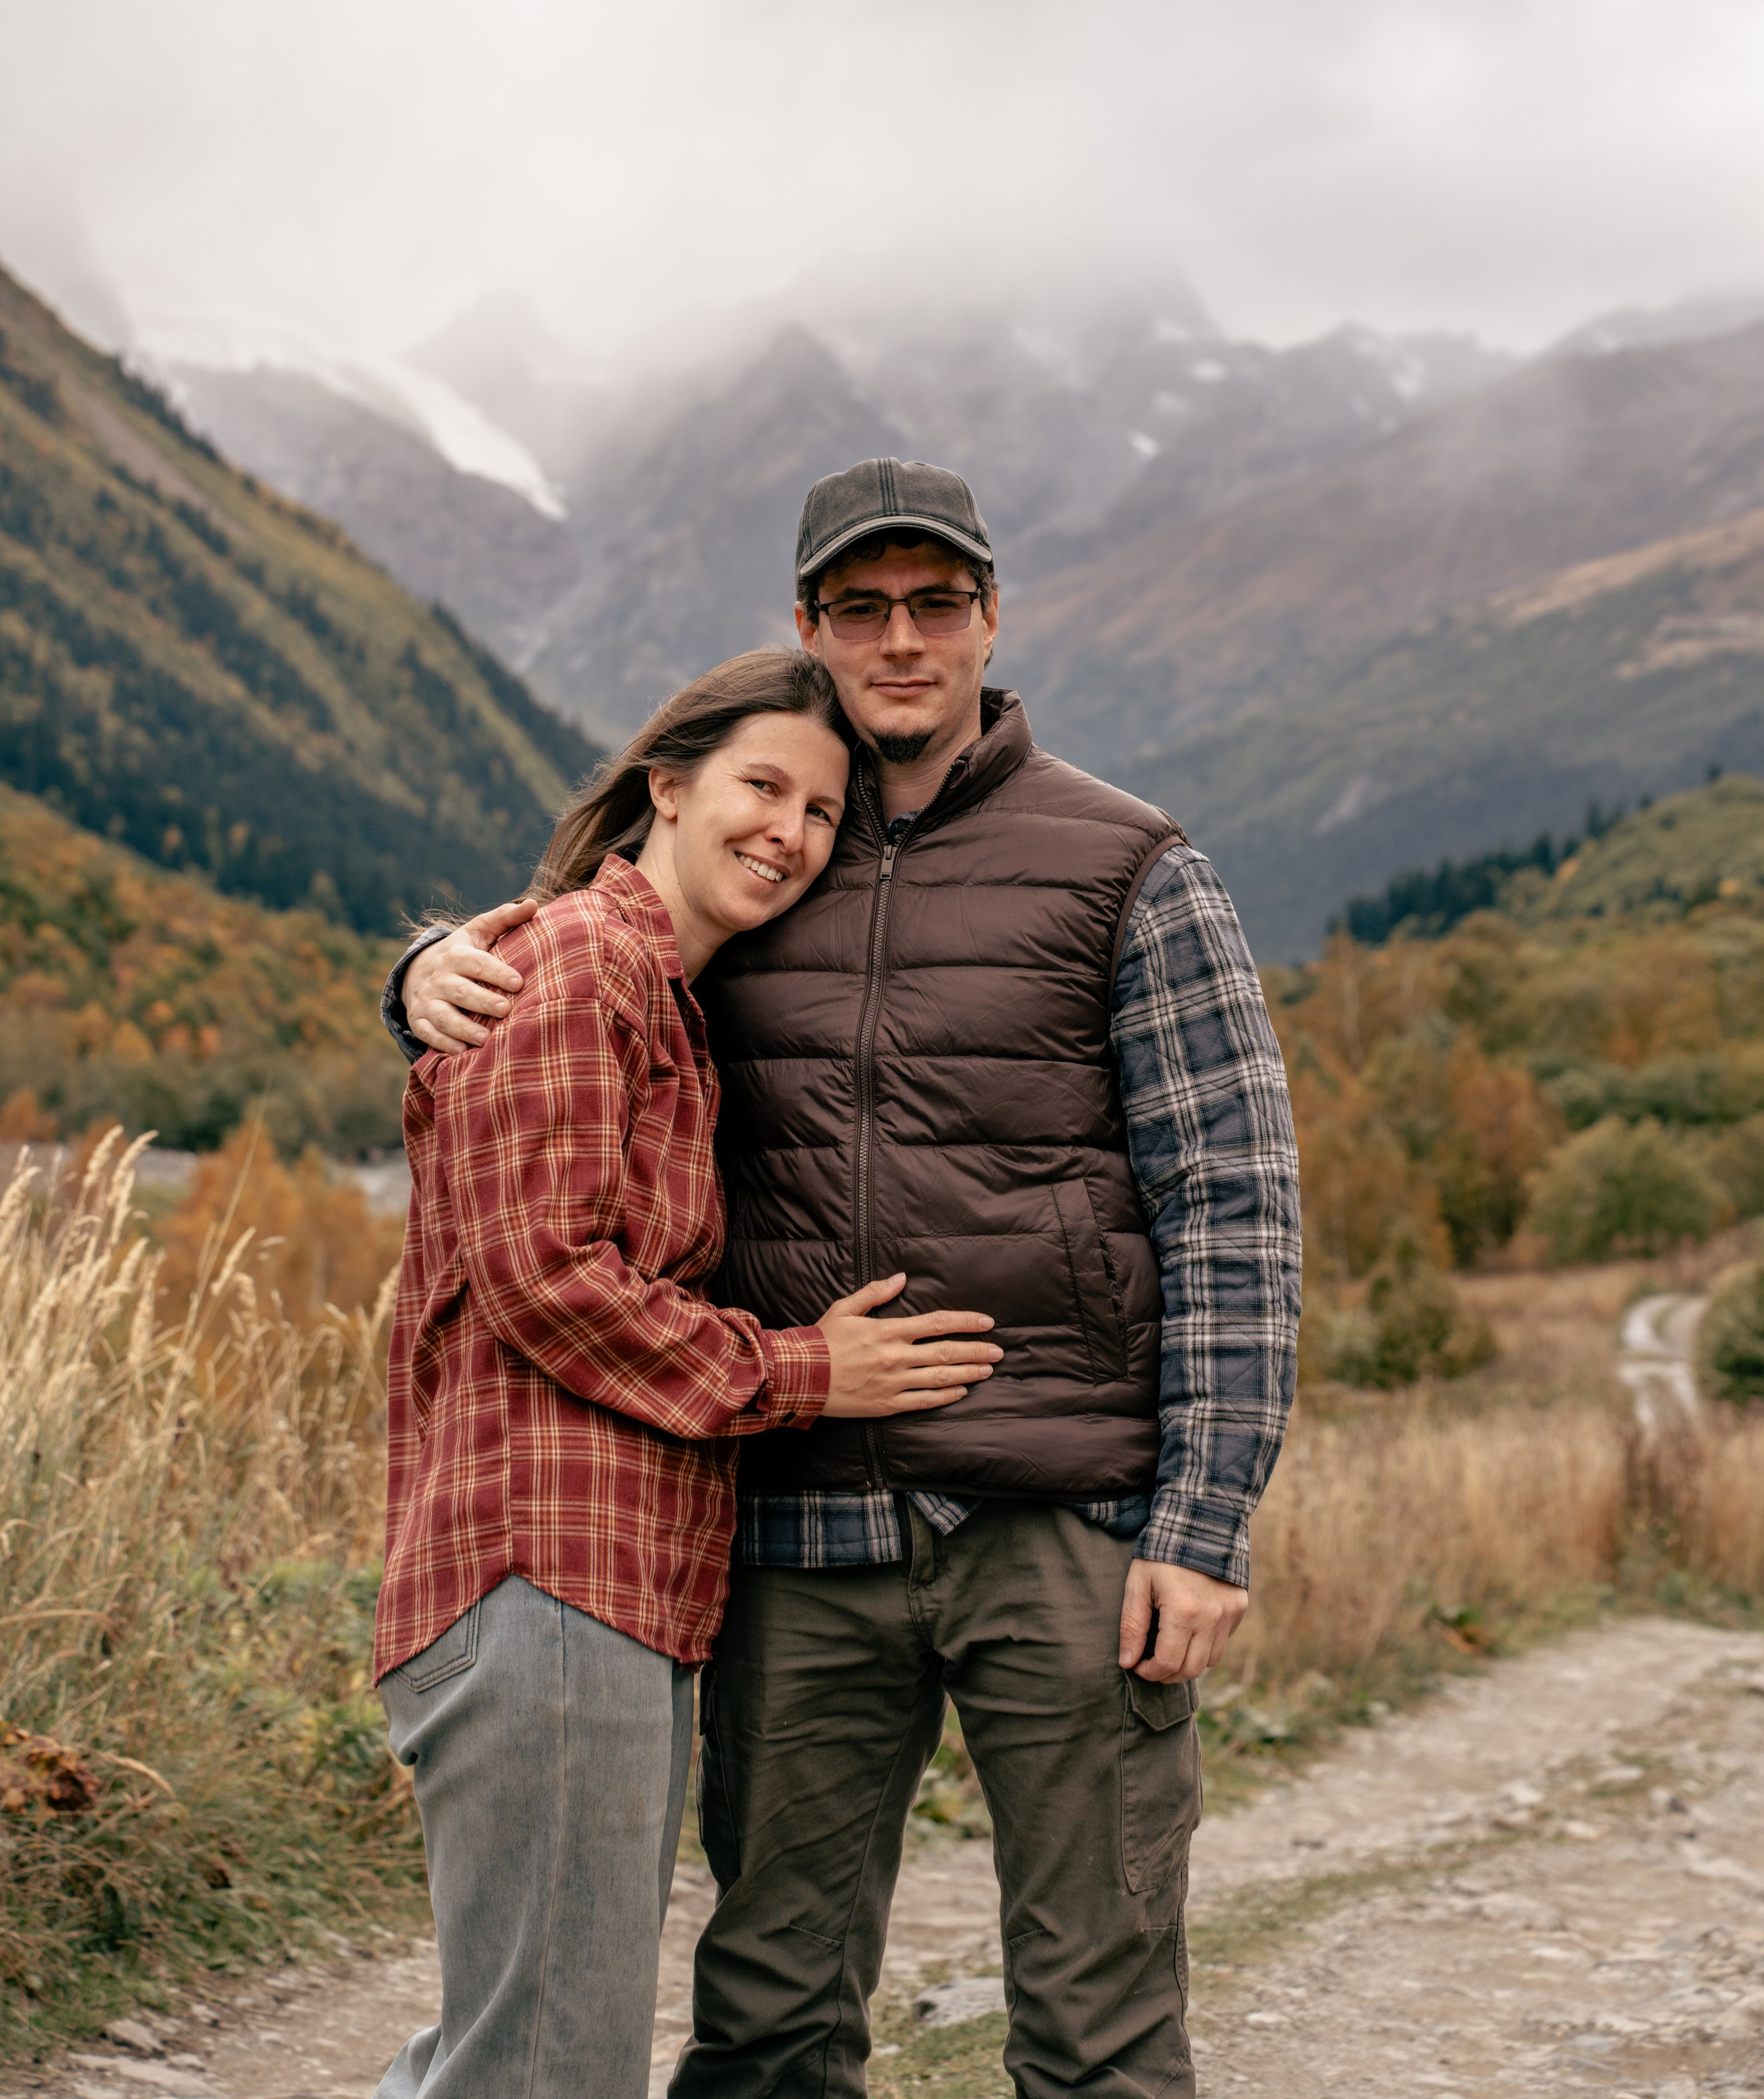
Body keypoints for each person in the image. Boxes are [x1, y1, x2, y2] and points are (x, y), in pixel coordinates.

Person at [394, 461, 1302, 2099]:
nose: (900, 638)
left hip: (1058, 1525)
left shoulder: (1126, 865)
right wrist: (422, 972)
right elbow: (570, 990)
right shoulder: (763, 867)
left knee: (1098, 2029)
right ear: (807, 626)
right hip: (793, 1533)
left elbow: (1231, 1204)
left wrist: (1203, 1518)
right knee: (770, 2023)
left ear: (989, 617)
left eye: (933, 602)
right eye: (860, 607)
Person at [371, 646, 1003, 2099]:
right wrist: (808, 1373)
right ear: (666, 786)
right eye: (761, 787)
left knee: (518, 2051)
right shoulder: (583, 964)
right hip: (544, 1572)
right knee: (544, 2066)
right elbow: (548, 1276)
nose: (789, 832)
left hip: (601, 1589)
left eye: (822, 812)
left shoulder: (664, 995)